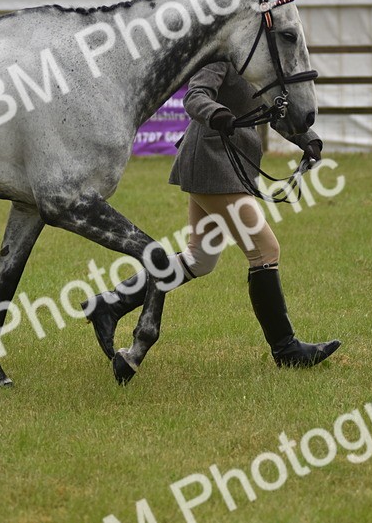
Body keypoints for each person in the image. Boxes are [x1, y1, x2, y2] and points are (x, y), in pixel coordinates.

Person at [83, 60, 341, 368]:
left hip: (226, 165)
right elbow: (195, 96)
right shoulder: (222, 56)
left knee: (199, 259)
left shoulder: (256, 61)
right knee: (265, 250)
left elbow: (273, 110)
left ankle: (110, 304)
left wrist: (305, 137)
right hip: (213, 163)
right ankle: (286, 350)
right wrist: (217, 114)